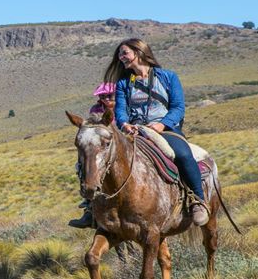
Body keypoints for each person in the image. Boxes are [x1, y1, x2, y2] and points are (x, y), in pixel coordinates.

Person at [111, 38, 209, 226]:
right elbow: (121, 110)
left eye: (124, 53)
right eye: (119, 54)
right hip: (136, 130)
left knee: (182, 154)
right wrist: (124, 124)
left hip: (165, 129)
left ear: (138, 52)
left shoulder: (168, 77)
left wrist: (162, 125)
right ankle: (96, 208)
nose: (121, 57)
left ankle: (198, 200)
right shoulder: (124, 84)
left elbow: (178, 107)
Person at [68, 81, 117, 228]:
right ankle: (89, 205)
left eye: (110, 95)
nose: (107, 98)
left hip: (122, 140)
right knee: (82, 165)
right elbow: (94, 127)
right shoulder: (96, 109)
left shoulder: (123, 104)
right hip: (103, 144)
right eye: (103, 96)